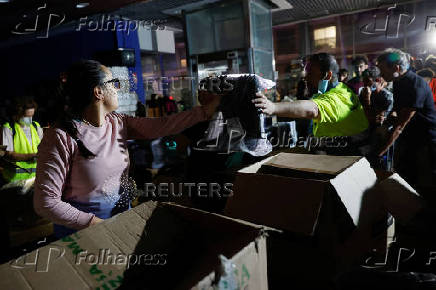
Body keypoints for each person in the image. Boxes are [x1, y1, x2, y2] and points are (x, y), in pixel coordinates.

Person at [33, 60, 220, 238]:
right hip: (82, 233)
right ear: (98, 92)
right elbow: (45, 203)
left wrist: (205, 111)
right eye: (113, 83)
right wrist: (95, 224)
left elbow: (162, 125)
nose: (117, 89)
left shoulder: (117, 122)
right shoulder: (60, 137)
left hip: (119, 220)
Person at [253, 53, 368, 143]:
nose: (305, 78)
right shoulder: (340, 88)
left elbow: (313, 109)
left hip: (350, 155)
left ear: (327, 75)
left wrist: (273, 107)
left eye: (310, 73)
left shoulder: (338, 97)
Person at [375, 48, 436, 198]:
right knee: (405, 179)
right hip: (410, 138)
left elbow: (401, 124)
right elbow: (397, 111)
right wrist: (385, 122)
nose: (381, 75)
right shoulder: (398, 81)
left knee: (424, 186)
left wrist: (379, 152)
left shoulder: (415, 84)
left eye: (383, 71)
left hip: (426, 141)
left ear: (396, 68)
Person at [1, 96, 43, 183]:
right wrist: (33, 156)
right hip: (14, 181)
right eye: (26, 117)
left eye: (32, 117)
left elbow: (43, 148)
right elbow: (9, 154)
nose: (29, 120)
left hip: (34, 179)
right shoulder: (8, 128)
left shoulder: (36, 127)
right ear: (17, 115)